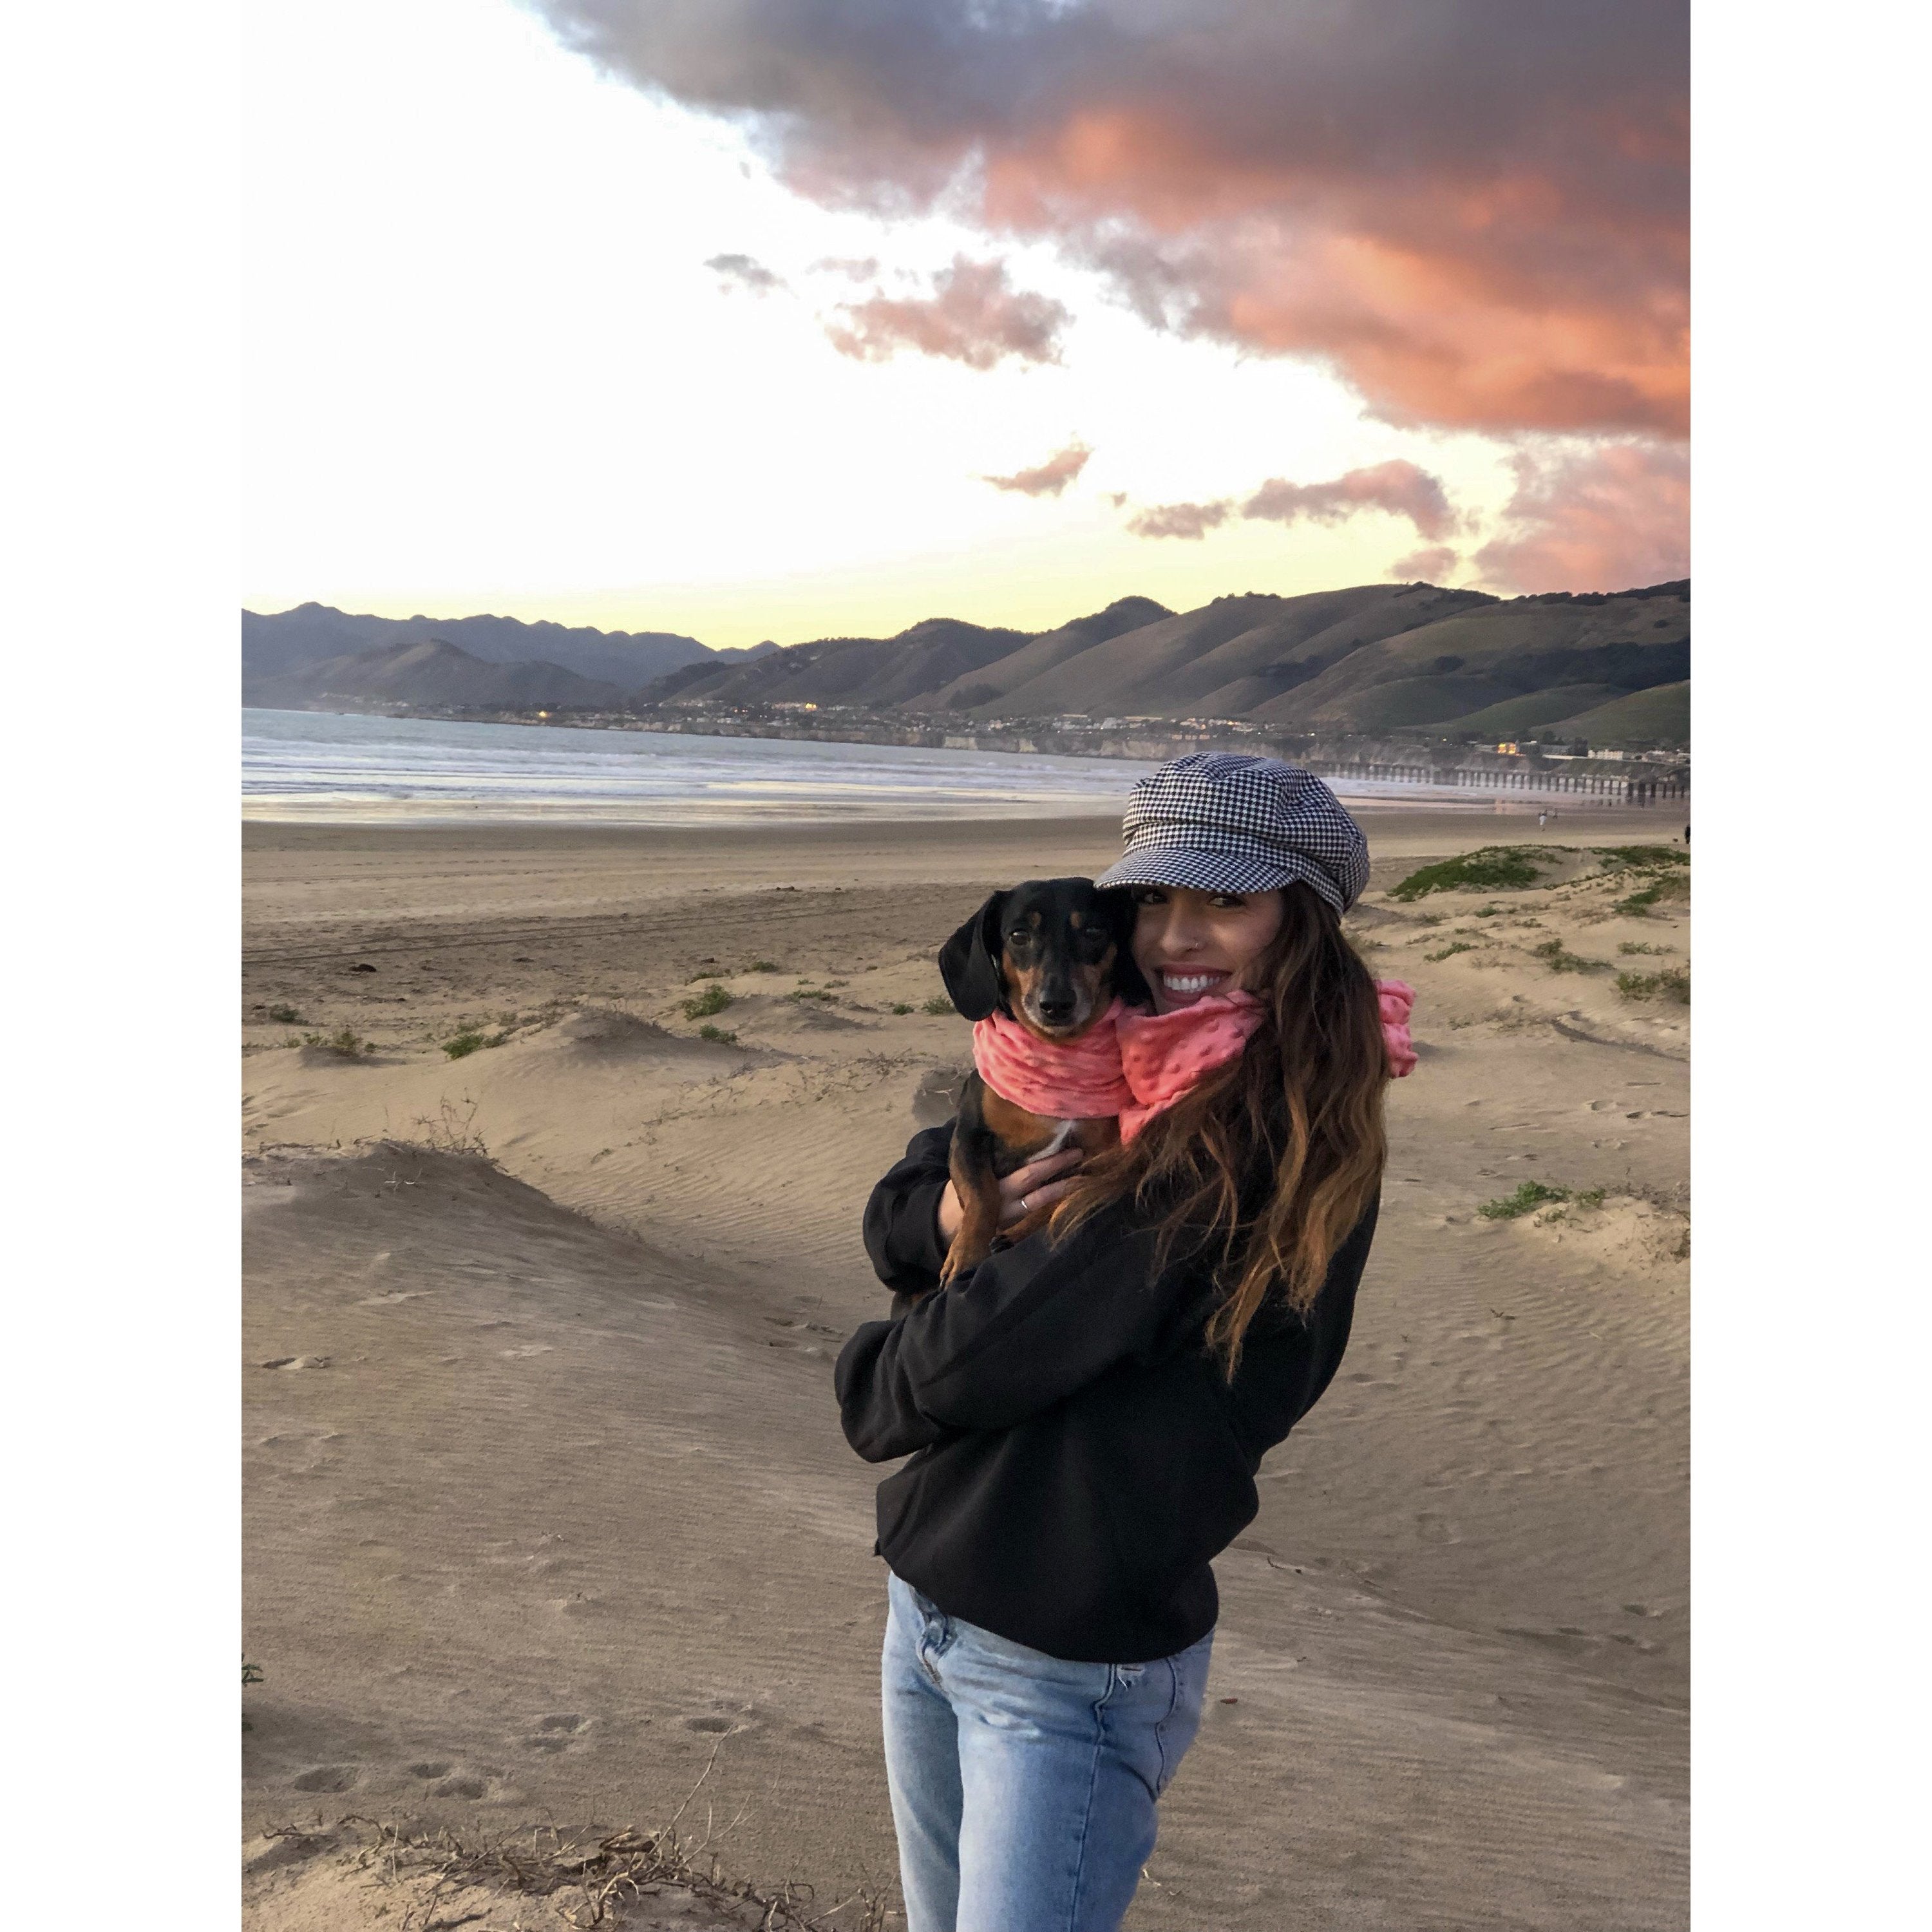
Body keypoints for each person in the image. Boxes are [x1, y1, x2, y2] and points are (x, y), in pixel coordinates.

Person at [835, 753, 1399, 1932]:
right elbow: (904, 1202)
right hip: (937, 1596)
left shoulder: (1249, 1123)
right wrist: (946, 1218)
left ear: (1300, 921)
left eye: (1225, 902)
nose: (1176, 936)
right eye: (1152, 899)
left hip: (1066, 1653)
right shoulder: (1103, 1057)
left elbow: (972, 1357)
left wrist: (871, 1373)